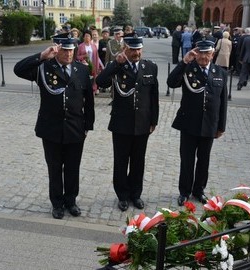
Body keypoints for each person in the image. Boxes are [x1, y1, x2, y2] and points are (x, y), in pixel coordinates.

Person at [13, 33, 95, 219]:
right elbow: (18, 69)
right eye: (64, 50)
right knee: (55, 168)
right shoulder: (43, 68)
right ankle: (57, 204)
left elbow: (88, 101)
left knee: (73, 168)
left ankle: (71, 201)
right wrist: (42, 56)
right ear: (57, 50)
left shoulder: (81, 70)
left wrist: (87, 126)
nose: (68, 54)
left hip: (75, 128)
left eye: (71, 50)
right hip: (51, 129)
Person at [96, 33, 159, 212]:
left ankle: (135, 194)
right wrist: (116, 63)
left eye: (138, 49)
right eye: (132, 49)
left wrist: (153, 120)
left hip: (142, 123)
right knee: (121, 161)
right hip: (121, 124)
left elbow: (154, 97)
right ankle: (122, 195)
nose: (136, 52)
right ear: (125, 49)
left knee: (138, 161)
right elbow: (101, 81)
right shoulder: (117, 67)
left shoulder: (150, 67)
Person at [167, 39, 228, 206]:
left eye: (207, 53)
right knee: (187, 160)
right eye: (200, 53)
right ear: (196, 53)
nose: (203, 56)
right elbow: (171, 82)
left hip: (209, 124)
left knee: (204, 160)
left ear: (212, 54)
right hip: (189, 123)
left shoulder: (220, 73)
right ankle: (184, 191)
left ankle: (199, 190)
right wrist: (184, 61)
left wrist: (221, 126)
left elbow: (223, 102)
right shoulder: (188, 69)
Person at [77, 29, 103, 95]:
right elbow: (77, 57)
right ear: (83, 37)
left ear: (91, 37)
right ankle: (84, 91)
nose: (87, 37)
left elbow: (97, 57)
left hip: (93, 65)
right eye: (85, 36)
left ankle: (93, 91)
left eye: (88, 36)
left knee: (93, 79)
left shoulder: (93, 46)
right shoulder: (80, 46)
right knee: (85, 79)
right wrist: (84, 56)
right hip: (83, 66)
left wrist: (97, 68)